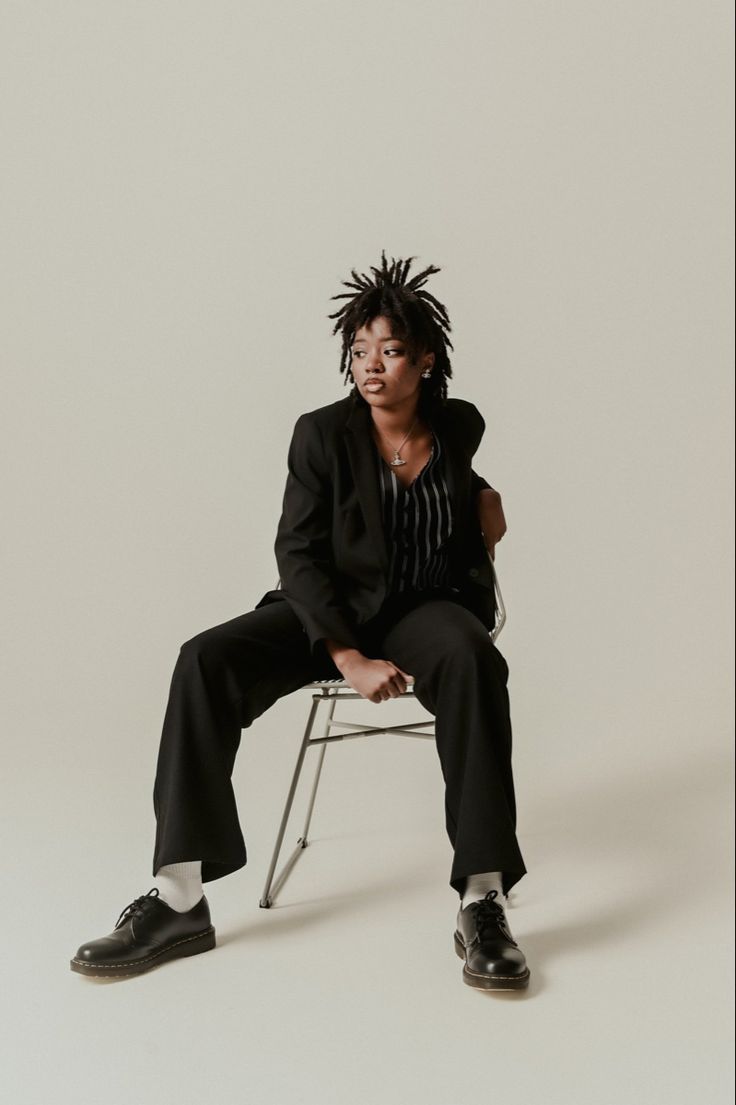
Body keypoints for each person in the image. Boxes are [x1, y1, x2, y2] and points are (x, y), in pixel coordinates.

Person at [70, 250, 530, 990]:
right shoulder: (320, 435)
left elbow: (459, 493)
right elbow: (298, 552)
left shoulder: (459, 425)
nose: (370, 365)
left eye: (389, 349)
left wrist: (486, 511)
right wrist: (346, 654)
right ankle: (180, 896)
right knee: (203, 658)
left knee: (474, 658)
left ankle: (483, 899)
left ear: (425, 359)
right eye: (358, 351)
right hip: (326, 612)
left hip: (423, 611)